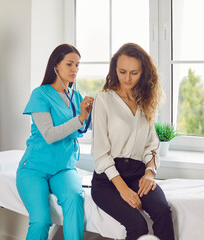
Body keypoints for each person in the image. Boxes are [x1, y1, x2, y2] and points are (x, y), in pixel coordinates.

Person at [91, 43, 175, 240]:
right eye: (122, 72)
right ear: (115, 70)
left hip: (138, 173)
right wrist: (124, 190)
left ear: (143, 73)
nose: (127, 78)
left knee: (163, 211)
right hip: (108, 180)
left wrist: (149, 173)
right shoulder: (104, 100)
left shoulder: (145, 101)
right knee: (138, 225)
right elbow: (100, 154)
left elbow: (151, 146)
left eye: (134, 73)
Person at [16, 44, 94, 240]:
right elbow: (49, 135)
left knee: (74, 199)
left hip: (63, 169)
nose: (74, 69)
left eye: (77, 65)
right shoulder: (40, 94)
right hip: (34, 169)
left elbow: (80, 130)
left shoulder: (76, 97)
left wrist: (89, 114)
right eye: (69, 64)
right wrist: (80, 119)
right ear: (56, 66)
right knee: (41, 220)